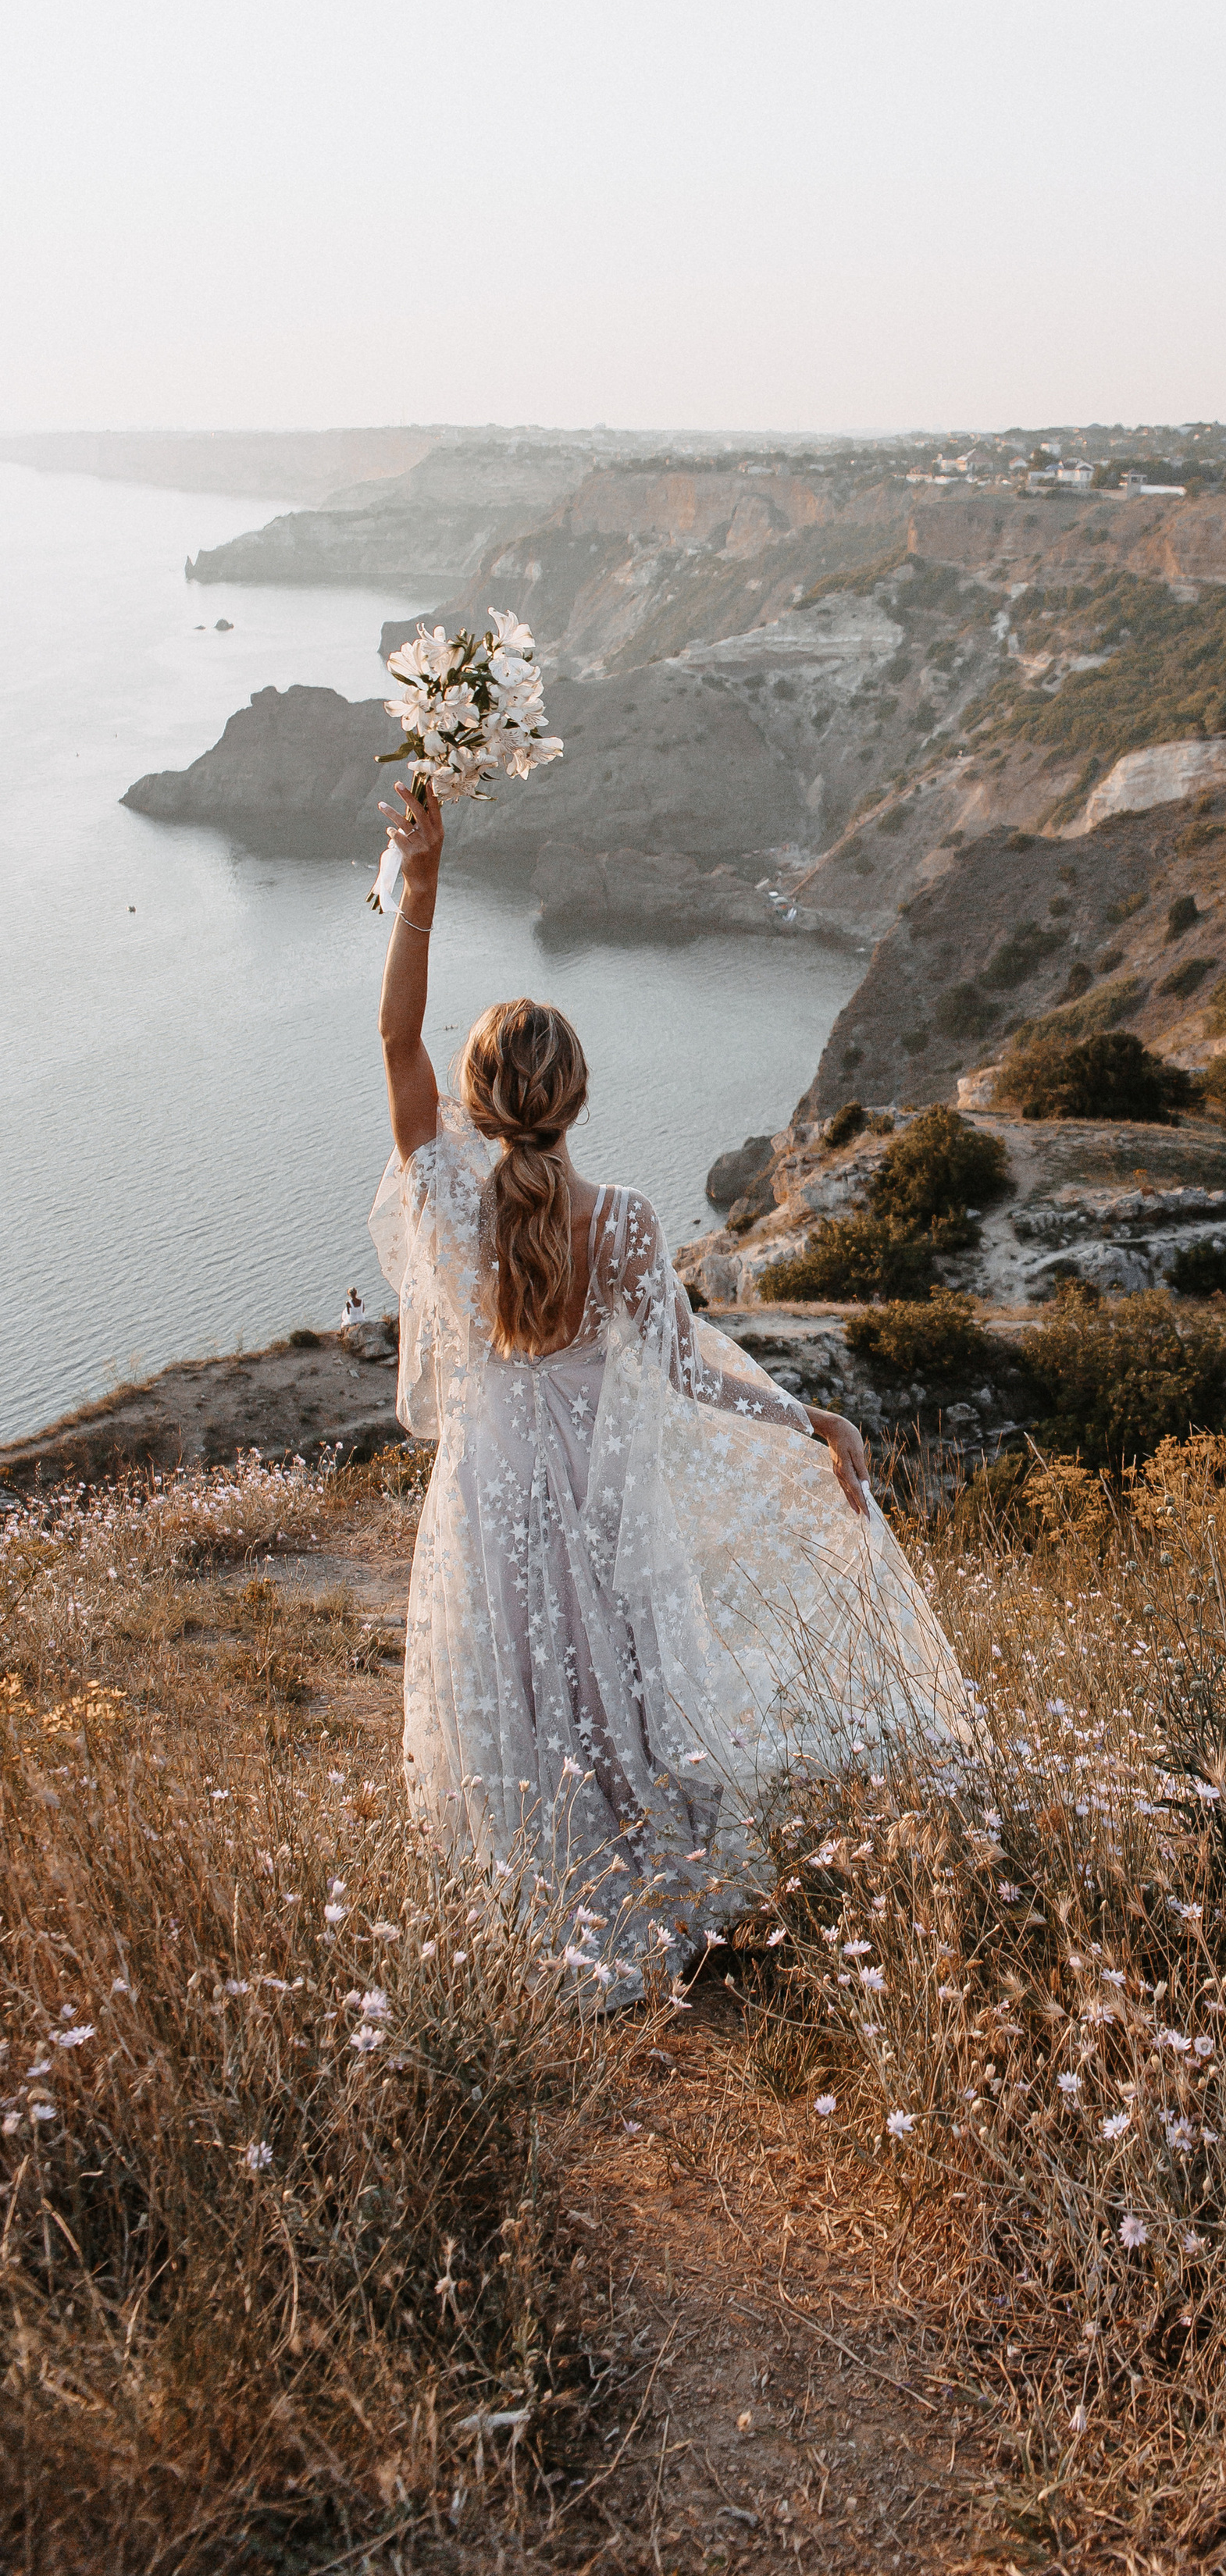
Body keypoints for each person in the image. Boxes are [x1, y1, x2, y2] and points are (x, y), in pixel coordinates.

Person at [369, 774, 963, 1998]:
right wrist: (812, 1419)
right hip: (604, 1499)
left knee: (513, 1685)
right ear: (578, 1095)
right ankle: (654, 1889)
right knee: (621, 1684)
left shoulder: (444, 1194)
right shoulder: (631, 1223)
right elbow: (691, 1374)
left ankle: (530, 1900)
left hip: (490, 1494)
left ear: (476, 1102)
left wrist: (421, 883)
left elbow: (394, 1040)